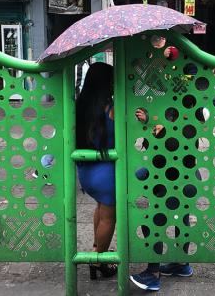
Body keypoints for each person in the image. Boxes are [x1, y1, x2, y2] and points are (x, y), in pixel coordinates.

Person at [130, 108, 194, 291]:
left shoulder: (182, 125)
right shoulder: (186, 117)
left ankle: (152, 274)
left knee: (153, 220)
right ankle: (181, 265)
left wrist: (154, 127)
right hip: (179, 178)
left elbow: (168, 149)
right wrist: (149, 123)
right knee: (182, 220)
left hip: (174, 180)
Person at [75, 62, 117, 279]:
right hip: (107, 173)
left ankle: (96, 248)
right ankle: (98, 260)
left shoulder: (79, 105)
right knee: (109, 218)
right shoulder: (111, 109)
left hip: (85, 172)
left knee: (99, 209)